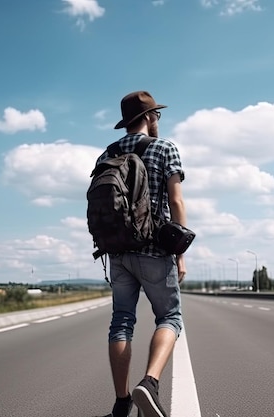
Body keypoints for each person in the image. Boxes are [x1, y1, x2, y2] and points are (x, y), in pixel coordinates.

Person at [97, 91, 187, 417]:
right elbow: (175, 202)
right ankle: (149, 384)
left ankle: (122, 404)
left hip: (118, 254)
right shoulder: (166, 148)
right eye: (157, 116)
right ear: (150, 117)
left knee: (121, 322)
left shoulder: (107, 153)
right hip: (155, 250)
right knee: (170, 318)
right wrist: (180, 253)